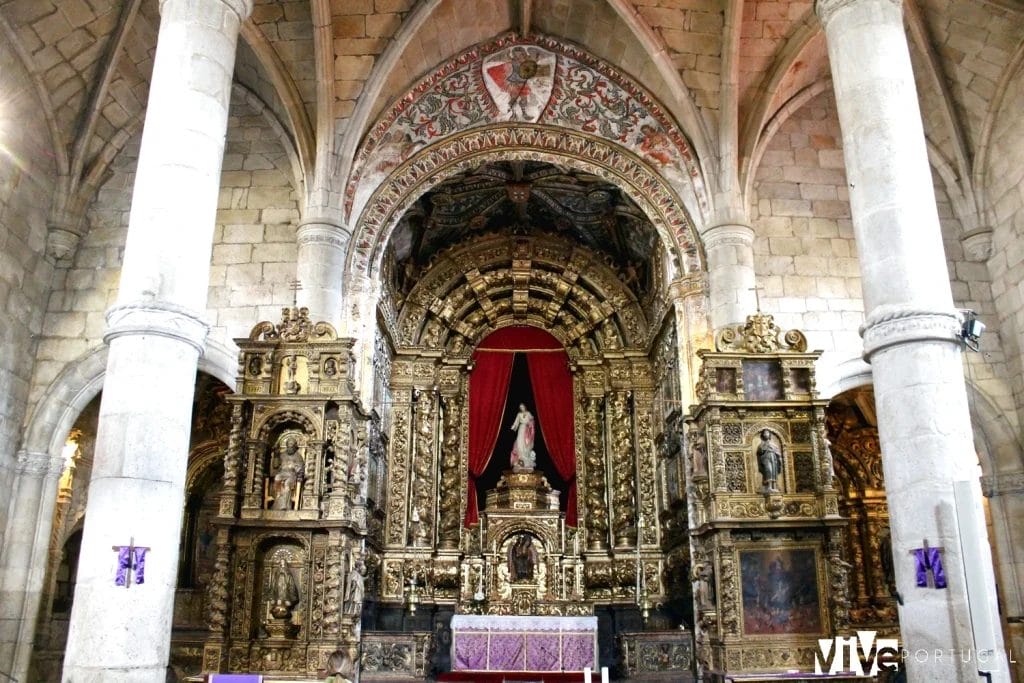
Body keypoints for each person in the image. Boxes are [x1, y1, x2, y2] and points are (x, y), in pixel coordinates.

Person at [272, 436, 304, 510]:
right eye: (288, 446)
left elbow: (300, 469)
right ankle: (278, 498)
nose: (290, 449)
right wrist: (276, 455)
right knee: (277, 478)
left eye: (292, 447)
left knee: (287, 484)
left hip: (291, 475)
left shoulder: (298, 456)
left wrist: (293, 467)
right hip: (282, 473)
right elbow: (275, 466)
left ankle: (285, 505)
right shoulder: (282, 455)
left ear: (294, 447)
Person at [509, 404, 536, 471]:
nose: (522, 408)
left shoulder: (528, 413)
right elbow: (516, 422)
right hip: (521, 428)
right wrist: (513, 427)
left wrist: (530, 424)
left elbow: (532, 419)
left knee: (526, 442)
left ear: (525, 407)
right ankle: (520, 457)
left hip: (526, 429)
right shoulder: (519, 414)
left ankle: (525, 457)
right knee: (519, 441)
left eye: (522, 407)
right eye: (520, 407)